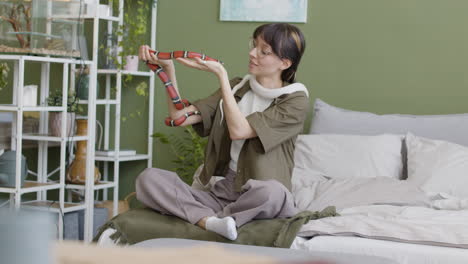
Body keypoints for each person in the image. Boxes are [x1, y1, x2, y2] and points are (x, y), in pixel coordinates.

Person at [136, 23, 309, 241]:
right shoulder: (238, 87)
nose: (252, 53)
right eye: (254, 45)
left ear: (284, 63)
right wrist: (168, 69)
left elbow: (239, 130)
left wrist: (220, 74)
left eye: (264, 51)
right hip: (223, 192)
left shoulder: (295, 100)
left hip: (259, 193)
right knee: (148, 178)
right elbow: (179, 118)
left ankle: (209, 219)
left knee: (274, 192)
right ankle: (212, 222)